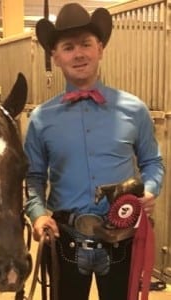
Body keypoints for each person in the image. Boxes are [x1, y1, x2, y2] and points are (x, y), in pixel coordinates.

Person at [24, 3, 164, 300]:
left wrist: (149, 191)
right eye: (68, 47)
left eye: (86, 44)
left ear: (100, 48)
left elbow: (153, 162)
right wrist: (37, 215)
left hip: (122, 241)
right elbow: (33, 177)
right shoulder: (40, 120)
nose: (79, 54)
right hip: (64, 242)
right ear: (56, 56)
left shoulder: (134, 110)